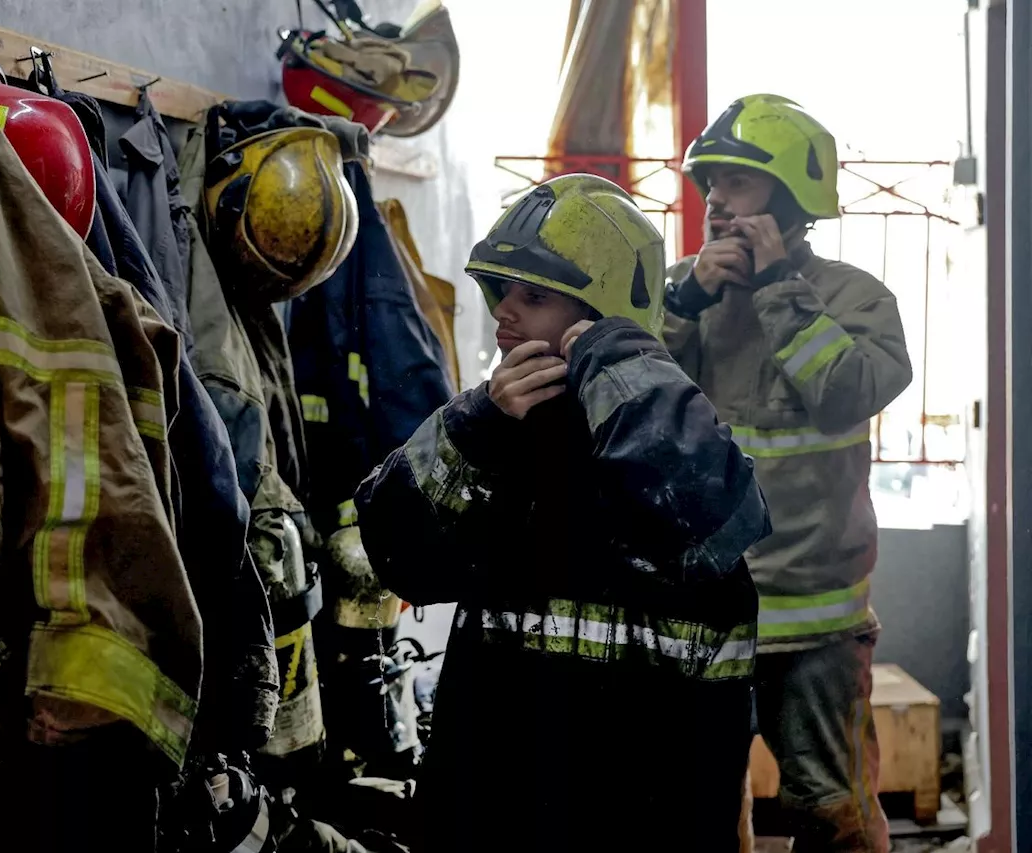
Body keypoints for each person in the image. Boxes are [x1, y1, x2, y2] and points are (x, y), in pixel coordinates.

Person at [354, 174, 771, 851]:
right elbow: (399, 554)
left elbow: (707, 512)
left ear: (596, 316)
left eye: (535, 295)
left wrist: (617, 359)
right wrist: (473, 421)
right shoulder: (497, 434)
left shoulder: (671, 436)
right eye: (503, 292)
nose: (504, 314)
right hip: (498, 813)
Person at [665, 94, 913, 853]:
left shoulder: (856, 299)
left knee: (830, 811)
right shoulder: (685, 295)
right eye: (710, 184)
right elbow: (631, 404)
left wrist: (776, 291)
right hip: (702, 611)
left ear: (792, 196)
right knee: (697, 809)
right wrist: (685, 301)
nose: (716, 200)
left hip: (817, 629)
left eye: (737, 182)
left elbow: (844, 394)